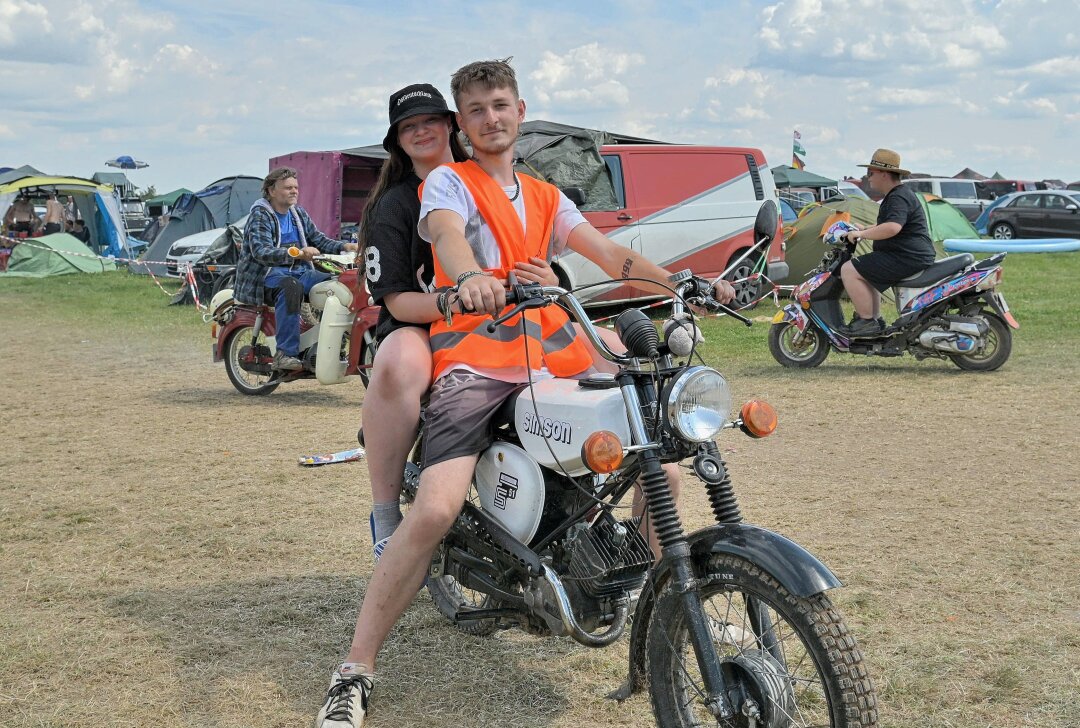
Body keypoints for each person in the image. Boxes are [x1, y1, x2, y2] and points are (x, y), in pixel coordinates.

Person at [314, 59, 735, 728]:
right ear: (465, 122)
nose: (491, 118)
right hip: (477, 357)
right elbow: (448, 238)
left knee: (663, 465)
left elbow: (607, 252)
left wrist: (682, 282)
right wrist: (473, 279)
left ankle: (672, 620)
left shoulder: (544, 194)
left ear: (520, 109)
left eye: (500, 104)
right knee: (436, 510)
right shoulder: (448, 184)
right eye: (476, 109)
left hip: (556, 349)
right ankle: (355, 668)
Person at [235, 168, 358, 370]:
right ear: (271, 191)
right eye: (288, 187)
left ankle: (333, 344)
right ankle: (285, 353)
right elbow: (261, 251)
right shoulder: (260, 215)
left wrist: (345, 246)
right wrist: (297, 253)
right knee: (290, 287)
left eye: (296, 187)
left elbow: (317, 239)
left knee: (340, 281)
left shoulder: (297, 213)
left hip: (299, 272)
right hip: (265, 276)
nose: (294, 191)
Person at [841, 149, 936, 337]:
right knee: (865, 272)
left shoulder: (898, 196)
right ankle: (874, 320)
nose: (868, 177)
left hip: (908, 257)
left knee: (849, 269)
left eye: (871, 173)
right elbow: (889, 223)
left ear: (884, 174)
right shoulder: (898, 195)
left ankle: (866, 321)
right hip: (908, 255)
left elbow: (893, 227)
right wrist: (865, 228)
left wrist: (863, 234)